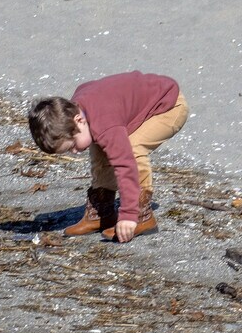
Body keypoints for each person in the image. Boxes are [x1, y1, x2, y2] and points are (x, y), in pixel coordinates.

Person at [27, 71, 188, 245]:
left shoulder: (105, 122)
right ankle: (102, 212)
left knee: (131, 149)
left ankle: (141, 215)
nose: (74, 152)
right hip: (129, 108)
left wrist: (127, 215)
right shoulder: (78, 111)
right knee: (98, 142)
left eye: (72, 145)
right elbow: (89, 88)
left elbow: (125, 166)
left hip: (168, 106)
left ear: (78, 119)